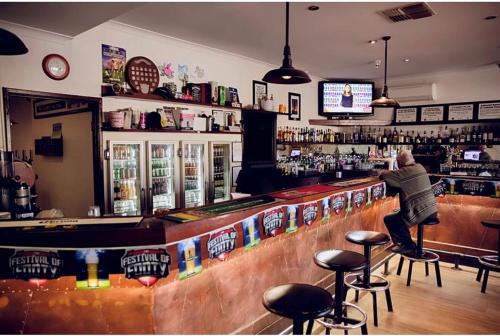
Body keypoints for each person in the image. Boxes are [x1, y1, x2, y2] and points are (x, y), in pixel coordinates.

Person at [380, 150, 438, 255]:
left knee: (390, 219)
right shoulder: (420, 167)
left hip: (421, 212)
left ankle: (407, 246)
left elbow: (384, 176)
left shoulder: (403, 173)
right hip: (432, 211)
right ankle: (408, 246)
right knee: (399, 215)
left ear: (399, 163)